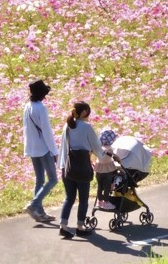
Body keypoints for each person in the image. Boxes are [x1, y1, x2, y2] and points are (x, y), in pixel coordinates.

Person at [57, 101, 107, 238]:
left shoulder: (67, 126)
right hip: (82, 167)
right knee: (83, 199)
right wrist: (104, 157)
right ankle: (80, 226)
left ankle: (63, 225)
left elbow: (63, 148)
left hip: (67, 167)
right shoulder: (86, 127)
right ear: (84, 112)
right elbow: (96, 146)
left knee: (69, 198)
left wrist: (62, 166)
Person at [22, 79, 58, 223]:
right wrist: (55, 151)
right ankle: (34, 205)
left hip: (32, 147)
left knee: (40, 180)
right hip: (43, 148)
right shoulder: (41, 108)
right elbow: (47, 132)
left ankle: (40, 212)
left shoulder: (27, 106)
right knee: (53, 179)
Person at [94, 127, 118, 210]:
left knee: (100, 187)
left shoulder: (98, 148)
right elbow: (113, 157)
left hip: (99, 169)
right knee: (106, 187)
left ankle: (99, 201)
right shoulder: (109, 149)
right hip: (107, 170)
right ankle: (106, 202)